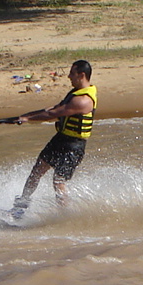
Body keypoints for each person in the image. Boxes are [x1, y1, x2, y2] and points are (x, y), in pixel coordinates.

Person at [8, 60, 97, 218]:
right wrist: (25, 116)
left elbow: (52, 115)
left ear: (81, 75)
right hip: (61, 139)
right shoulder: (74, 92)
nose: (69, 76)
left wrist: (28, 119)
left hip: (74, 146)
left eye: (72, 73)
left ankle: (64, 215)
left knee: (58, 180)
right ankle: (21, 206)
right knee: (37, 171)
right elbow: (52, 109)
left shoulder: (83, 100)